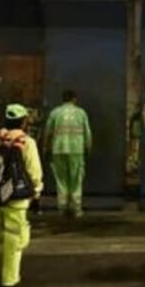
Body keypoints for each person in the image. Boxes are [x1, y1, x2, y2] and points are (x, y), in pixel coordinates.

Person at [0, 103, 43, 287]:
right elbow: (34, 172)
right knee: (13, 239)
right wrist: (36, 193)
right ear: (23, 122)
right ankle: (9, 281)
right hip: (15, 196)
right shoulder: (26, 142)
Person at [43, 89, 92, 218]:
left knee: (61, 179)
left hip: (58, 149)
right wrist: (88, 147)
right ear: (74, 99)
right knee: (76, 179)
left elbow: (48, 131)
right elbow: (87, 133)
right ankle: (76, 209)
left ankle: (62, 207)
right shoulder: (81, 113)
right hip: (76, 150)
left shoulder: (55, 113)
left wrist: (45, 146)